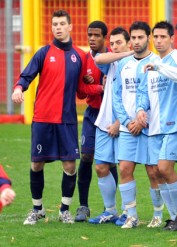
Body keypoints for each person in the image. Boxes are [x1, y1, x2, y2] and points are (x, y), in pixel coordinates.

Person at [12, 9, 86, 225]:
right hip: (43, 118)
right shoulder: (43, 53)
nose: (58, 28)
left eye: (62, 24)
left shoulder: (80, 56)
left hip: (67, 120)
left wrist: (98, 87)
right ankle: (38, 209)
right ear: (52, 27)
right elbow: (27, 75)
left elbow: (83, 87)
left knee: (70, 166)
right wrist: (18, 88)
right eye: (55, 24)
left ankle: (64, 209)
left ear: (70, 27)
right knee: (37, 164)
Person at [137, 21, 177, 231]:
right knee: (157, 173)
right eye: (156, 37)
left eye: (163, 37)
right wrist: (141, 109)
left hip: (174, 124)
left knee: (164, 168)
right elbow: (144, 93)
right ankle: (174, 216)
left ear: (172, 39)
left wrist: (160, 66)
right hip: (154, 128)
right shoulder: (149, 65)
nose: (159, 41)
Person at [113, 21, 164, 229]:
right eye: (132, 38)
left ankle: (158, 215)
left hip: (150, 128)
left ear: (148, 38)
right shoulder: (123, 64)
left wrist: (143, 121)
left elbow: (159, 95)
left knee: (154, 172)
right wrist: (127, 121)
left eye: (140, 37)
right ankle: (131, 216)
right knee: (124, 169)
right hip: (127, 128)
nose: (135, 41)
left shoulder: (157, 63)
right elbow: (117, 96)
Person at [88, 27, 134, 224]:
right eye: (112, 43)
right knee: (100, 167)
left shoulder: (133, 65)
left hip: (123, 126)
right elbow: (98, 58)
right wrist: (124, 52)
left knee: (125, 169)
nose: (114, 46)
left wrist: (118, 122)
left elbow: (133, 98)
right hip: (103, 124)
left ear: (128, 43)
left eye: (119, 43)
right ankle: (110, 211)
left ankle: (128, 212)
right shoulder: (112, 62)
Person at [75, 20, 118, 222]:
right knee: (86, 158)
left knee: (110, 163)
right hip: (92, 114)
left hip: (111, 115)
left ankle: (110, 208)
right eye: (89, 35)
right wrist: (100, 88)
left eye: (96, 35)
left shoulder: (113, 58)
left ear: (104, 38)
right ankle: (83, 206)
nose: (92, 39)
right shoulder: (84, 60)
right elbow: (81, 92)